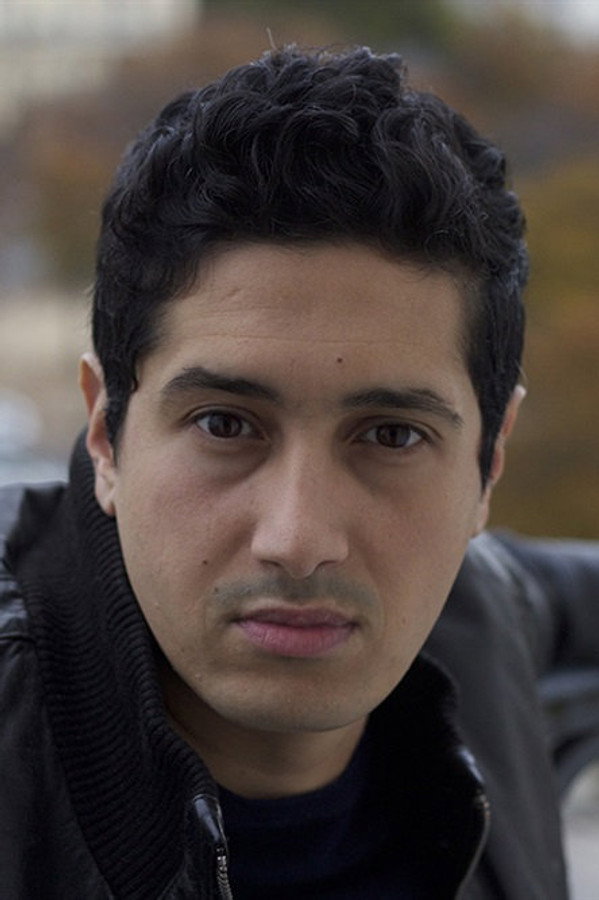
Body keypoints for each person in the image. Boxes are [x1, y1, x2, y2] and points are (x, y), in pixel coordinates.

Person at [1, 44, 597, 899]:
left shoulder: (485, 620)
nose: (298, 538)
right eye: (224, 425)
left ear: (488, 458)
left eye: (390, 436)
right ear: (105, 432)